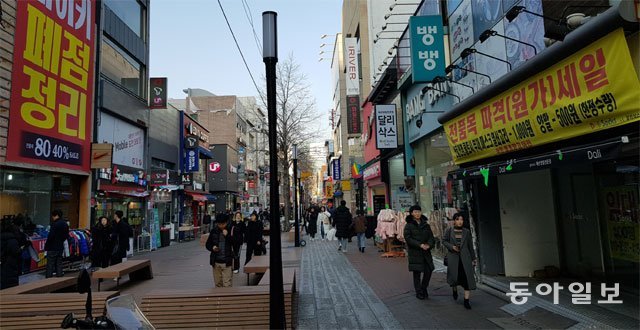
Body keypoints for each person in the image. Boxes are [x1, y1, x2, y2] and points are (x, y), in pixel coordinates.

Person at [443, 213, 477, 309]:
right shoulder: (449, 231)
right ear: (454, 221)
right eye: (458, 219)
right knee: (455, 278)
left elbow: (470, 246)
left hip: (465, 259)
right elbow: (444, 241)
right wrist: (452, 247)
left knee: (467, 279)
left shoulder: (466, 232)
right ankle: (454, 289)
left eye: (461, 219)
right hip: (453, 258)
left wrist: (473, 258)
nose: (460, 221)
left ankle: (466, 301)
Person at [403, 205, 435, 300]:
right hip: (415, 252)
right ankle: (419, 292)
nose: (417, 213)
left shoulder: (426, 224)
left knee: (428, 270)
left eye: (419, 211)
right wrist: (420, 245)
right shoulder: (408, 225)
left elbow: (431, 237)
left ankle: (423, 288)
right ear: (412, 213)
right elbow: (408, 238)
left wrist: (429, 245)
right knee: (417, 273)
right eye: (415, 212)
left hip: (426, 252)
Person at [205, 214, 234, 287]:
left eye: (223, 224)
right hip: (216, 262)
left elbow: (237, 243)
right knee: (218, 284)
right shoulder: (213, 231)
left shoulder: (231, 230)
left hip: (227, 262)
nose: (221, 226)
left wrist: (227, 235)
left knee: (227, 284)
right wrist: (213, 247)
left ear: (226, 222)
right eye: (219, 224)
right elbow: (208, 244)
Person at [45, 209, 69, 278]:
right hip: (60, 247)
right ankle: (59, 278)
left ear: (57, 216)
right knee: (59, 264)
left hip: (52, 247)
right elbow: (66, 236)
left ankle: (48, 280)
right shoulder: (65, 224)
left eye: (53, 216)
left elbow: (50, 236)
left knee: (50, 265)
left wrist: (47, 245)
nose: (52, 217)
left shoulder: (54, 224)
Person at [1, 219, 22, 289]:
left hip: (2, 265)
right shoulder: (13, 240)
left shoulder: (2, 239)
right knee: (11, 286)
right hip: (11, 266)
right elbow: (17, 252)